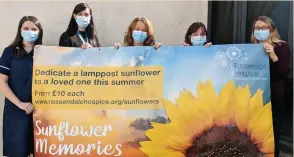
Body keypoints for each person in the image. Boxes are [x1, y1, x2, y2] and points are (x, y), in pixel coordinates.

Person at [0, 16, 43, 157]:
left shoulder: (44, 53)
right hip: (16, 112)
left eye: (34, 29)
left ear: (39, 32)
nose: (30, 31)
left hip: (40, 113)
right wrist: (20, 104)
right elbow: (2, 82)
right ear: (20, 30)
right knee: (17, 152)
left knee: (41, 150)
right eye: (26, 28)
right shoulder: (10, 52)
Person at [251, 16, 290, 157]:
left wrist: (273, 56)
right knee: (256, 139)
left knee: (273, 140)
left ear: (272, 30)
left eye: (264, 28)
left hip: (274, 101)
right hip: (256, 102)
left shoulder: (282, 46)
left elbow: (282, 73)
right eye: (257, 28)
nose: (260, 30)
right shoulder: (252, 49)